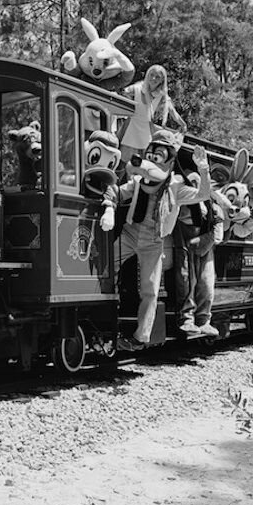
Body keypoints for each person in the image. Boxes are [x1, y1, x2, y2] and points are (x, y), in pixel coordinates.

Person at [100, 130, 211, 351]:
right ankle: (103, 323)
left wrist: (203, 169)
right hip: (131, 234)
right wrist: (108, 204)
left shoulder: (176, 187)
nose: (151, 159)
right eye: (150, 153)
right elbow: (118, 192)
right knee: (105, 269)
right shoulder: (139, 181)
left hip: (154, 240)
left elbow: (202, 194)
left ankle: (140, 337)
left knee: (150, 290)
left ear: (168, 159)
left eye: (158, 154)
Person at [173, 172, 230, 337]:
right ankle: (186, 319)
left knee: (206, 281)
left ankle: (204, 319)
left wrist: (208, 238)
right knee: (186, 280)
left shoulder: (211, 204)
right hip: (183, 240)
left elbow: (218, 225)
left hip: (205, 242)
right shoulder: (182, 198)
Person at [119, 65, 187, 164]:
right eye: (151, 75)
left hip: (147, 131)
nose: (153, 78)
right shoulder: (137, 88)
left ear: (162, 80)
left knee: (142, 164)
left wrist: (183, 124)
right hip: (131, 128)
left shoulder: (162, 95)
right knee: (123, 162)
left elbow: (172, 111)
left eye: (158, 77)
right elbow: (122, 94)